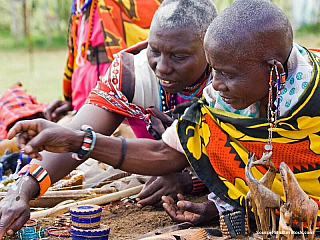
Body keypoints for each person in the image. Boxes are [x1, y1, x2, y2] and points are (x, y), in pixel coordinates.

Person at [0, 0, 218, 235]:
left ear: (210, 49)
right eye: (154, 50)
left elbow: (250, 157)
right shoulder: (131, 74)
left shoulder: (227, 79)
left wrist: (191, 182)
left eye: (178, 56)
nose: (162, 67)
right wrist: (20, 191)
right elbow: (77, 132)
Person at [44, 0, 160, 122]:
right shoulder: (81, 4)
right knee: (79, 132)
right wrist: (69, 99)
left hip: (115, 78)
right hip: (83, 79)